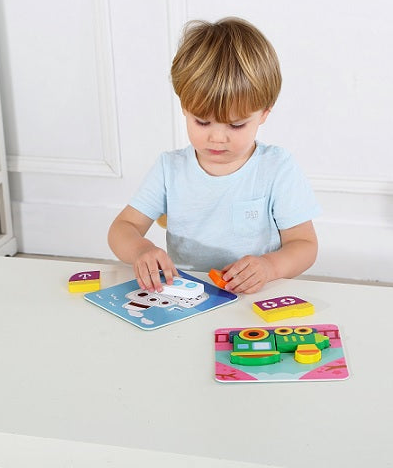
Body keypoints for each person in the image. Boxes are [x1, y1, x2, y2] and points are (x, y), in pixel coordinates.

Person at [108, 17, 320, 294]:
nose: (217, 137)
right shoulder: (170, 169)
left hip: (254, 295)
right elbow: (122, 227)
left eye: (236, 125)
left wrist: (270, 267)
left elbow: (304, 244)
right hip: (186, 296)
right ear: (185, 107)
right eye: (202, 122)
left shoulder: (276, 168)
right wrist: (141, 250)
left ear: (264, 113)